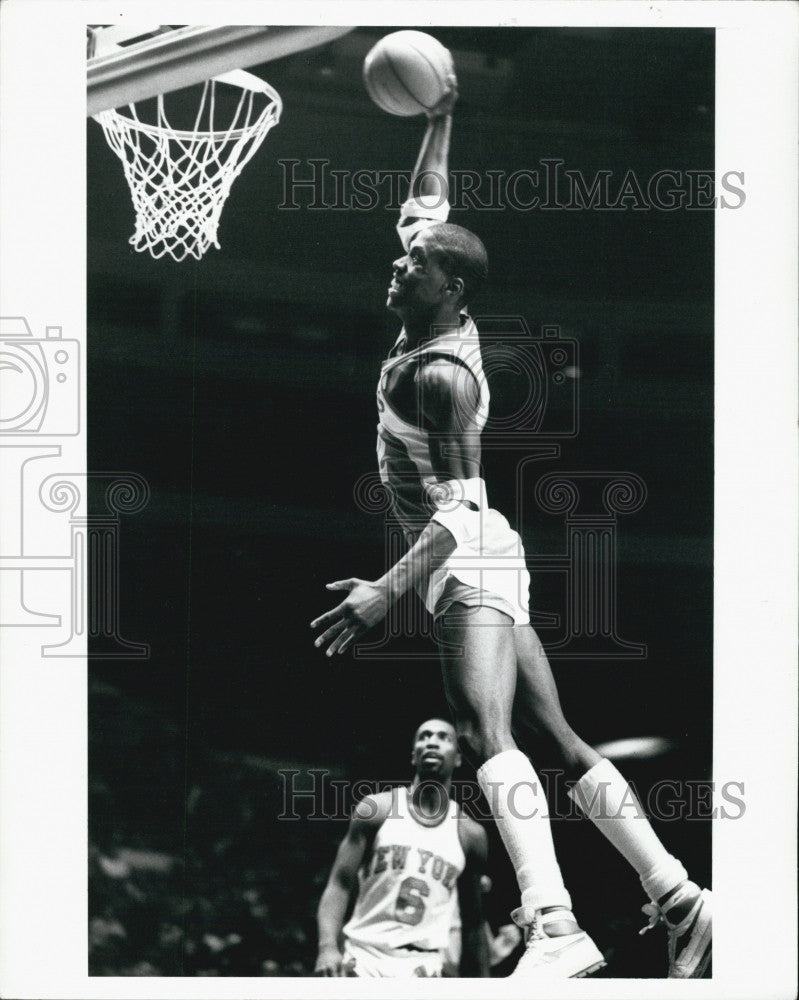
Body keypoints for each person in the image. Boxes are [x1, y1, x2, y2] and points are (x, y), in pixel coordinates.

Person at [311, 77, 712, 981]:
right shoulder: (430, 315)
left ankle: (552, 924)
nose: (396, 265)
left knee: (486, 735)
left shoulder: (440, 379)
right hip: (489, 547)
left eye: (412, 265)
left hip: (467, 553)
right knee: (560, 741)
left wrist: (387, 589)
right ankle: (680, 899)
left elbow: (454, 509)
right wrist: (441, 118)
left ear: (448, 287)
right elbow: (427, 207)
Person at [314, 717, 490, 978]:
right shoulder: (376, 809)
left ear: (458, 758)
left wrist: (483, 984)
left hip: (424, 967)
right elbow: (340, 883)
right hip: (363, 958)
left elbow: (474, 922)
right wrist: (327, 947)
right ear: (413, 756)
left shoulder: (470, 835)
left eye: (444, 737)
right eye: (424, 736)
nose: (432, 742)